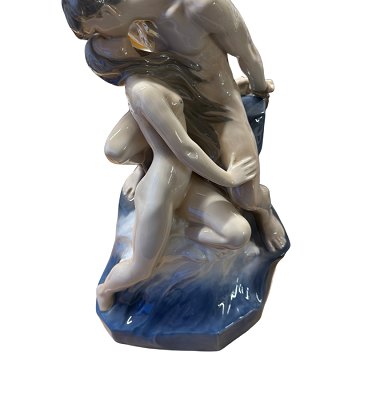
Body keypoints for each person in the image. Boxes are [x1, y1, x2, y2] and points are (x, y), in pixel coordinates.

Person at [62, 0, 287, 254]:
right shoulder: (126, 28)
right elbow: (141, 71)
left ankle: (263, 212)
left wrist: (258, 89)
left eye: (94, 30)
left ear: (106, 12)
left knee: (245, 195)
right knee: (116, 150)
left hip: (219, 108)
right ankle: (149, 166)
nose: (96, 39)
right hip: (169, 102)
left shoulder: (201, 2)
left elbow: (247, 52)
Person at [84, 35, 257, 311]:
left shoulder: (156, 68)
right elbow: (184, 148)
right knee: (141, 268)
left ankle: (187, 233)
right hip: (160, 191)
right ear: (111, 62)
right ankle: (105, 290)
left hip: (186, 185)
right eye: (110, 45)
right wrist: (229, 178)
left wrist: (235, 90)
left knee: (238, 233)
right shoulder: (142, 89)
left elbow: (190, 101)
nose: (120, 39)